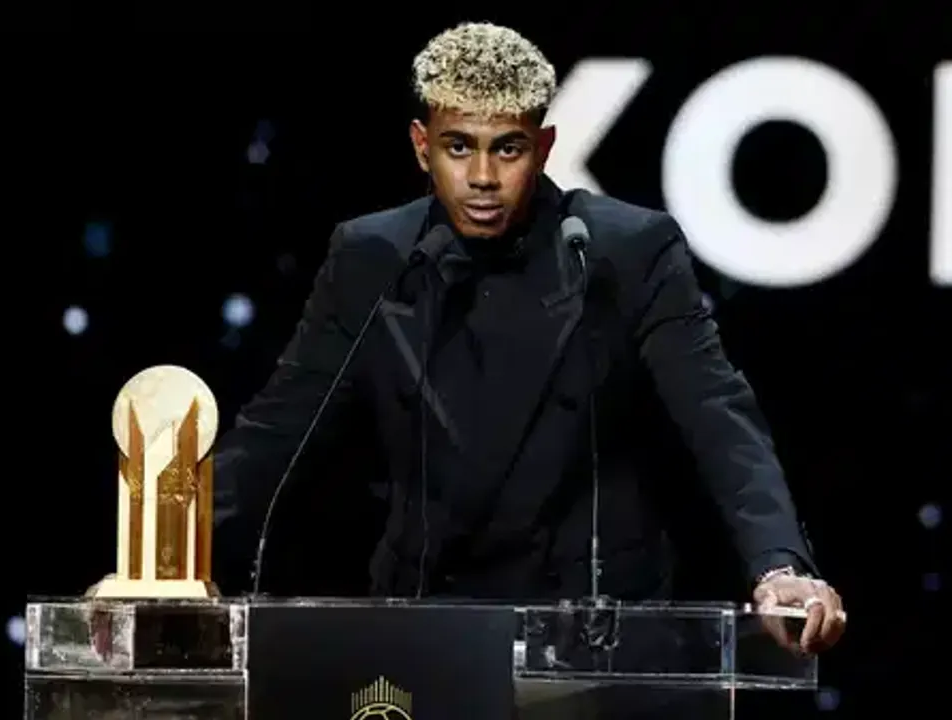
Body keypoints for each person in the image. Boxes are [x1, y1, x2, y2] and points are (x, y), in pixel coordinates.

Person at [213, 22, 845, 655]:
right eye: (458, 147)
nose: (482, 176)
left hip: (595, 643)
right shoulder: (371, 256)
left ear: (543, 148)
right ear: (421, 146)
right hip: (426, 630)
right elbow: (280, 428)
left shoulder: (624, 251)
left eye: (507, 149)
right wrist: (175, 566)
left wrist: (778, 565)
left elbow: (717, 413)